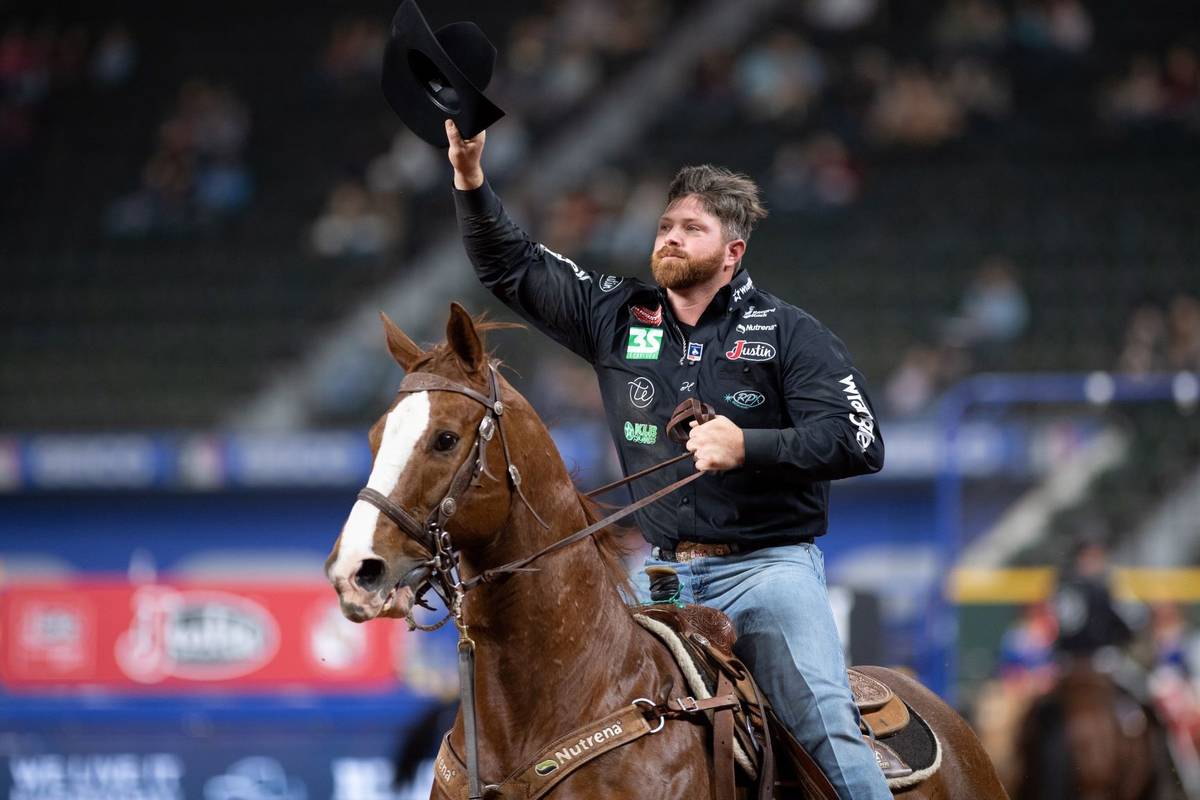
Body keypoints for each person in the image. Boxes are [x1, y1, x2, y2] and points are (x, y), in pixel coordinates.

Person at [445, 119, 890, 799]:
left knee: (827, 725)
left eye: (692, 227)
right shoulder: (618, 314)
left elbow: (861, 442)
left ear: (732, 252)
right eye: (665, 226)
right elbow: (512, 264)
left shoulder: (791, 333)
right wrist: (472, 179)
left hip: (768, 573)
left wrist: (748, 445)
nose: (671, 237)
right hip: (658, 576)